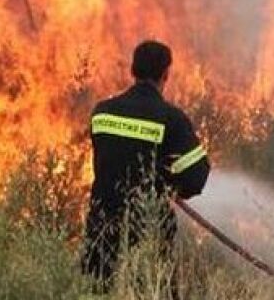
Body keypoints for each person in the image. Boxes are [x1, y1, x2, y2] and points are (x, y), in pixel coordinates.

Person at [81, 40, 210, 293]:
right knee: (151, 291)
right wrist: (170, 185)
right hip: (148, 230)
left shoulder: (102, 113)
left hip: (101, 227)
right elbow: (196, 176)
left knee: (98, 290)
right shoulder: (171, 119)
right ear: (166, 74)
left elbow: (110, 158)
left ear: (133, 70)